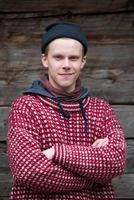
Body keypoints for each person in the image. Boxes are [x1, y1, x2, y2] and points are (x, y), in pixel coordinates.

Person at [7, 22, 127, 200]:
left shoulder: (101, 109)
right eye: (58, 57)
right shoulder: (26, 107)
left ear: (82, 62)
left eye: (73, 58)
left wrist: (57, 152)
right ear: (45, 59)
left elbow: (116, 161)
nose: (66, 65)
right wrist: (93, 177)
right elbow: (29, 171)